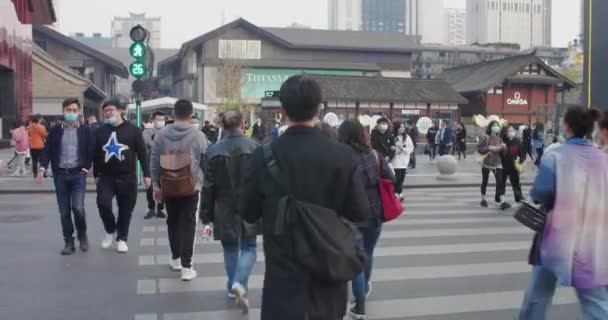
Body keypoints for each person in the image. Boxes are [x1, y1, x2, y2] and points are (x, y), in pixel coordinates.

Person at [240, 75, 370, 320]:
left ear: (282, 109)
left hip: (282, 273)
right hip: (328, 265)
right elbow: (360, 213)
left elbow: (248, 211)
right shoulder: (342, 155)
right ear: (318, 107)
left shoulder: (264, 155)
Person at [519, 106, 608, 320]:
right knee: (594, 300)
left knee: (538, 294)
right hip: (592, 240)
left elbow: (540, 194)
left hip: (556, 238)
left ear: (566, 126)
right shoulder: (603, 158)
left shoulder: (554, 156)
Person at [199, 109, 259, 312]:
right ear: (242, 123)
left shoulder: (213, 151)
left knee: (230, 248)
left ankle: (232, 284)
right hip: (250, 204)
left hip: (223, 206)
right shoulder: (255, 148)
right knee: (249, 247)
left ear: (222, 126)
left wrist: (205, 215)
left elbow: (208, 187)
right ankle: (240, 283)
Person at [338, 119, 395, 319]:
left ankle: (360, 306)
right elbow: (392, 179)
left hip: (351, 216)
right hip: (375, 214)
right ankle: (363, 290)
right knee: (367, 254)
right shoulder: (375, 155)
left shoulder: (342, 158)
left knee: (355, 261)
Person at [150, 99, 207, 281]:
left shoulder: (161, 135)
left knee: (172, 221)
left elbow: (154, 161)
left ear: (173, 115)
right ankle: (187, 266)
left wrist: (156, 185)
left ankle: (175, 259)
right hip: (191, 185)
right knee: (188, 223)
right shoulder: (199, 136)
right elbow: (206, 162)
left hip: (168, 185)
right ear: (191, 115)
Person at [37, 98, 94, 255]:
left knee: (78, 207)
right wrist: (42, 168)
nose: (71, 113)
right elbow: (47, 151)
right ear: (63, 111)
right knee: (64, 211)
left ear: (79, 112)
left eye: (75, 110)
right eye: (69, 110)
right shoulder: (55, 130)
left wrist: (85, 168)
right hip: (60, 174)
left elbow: (90, 151)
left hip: (78, 175)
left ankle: (82, 235)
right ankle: (69, 242)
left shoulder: (85, 130)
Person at [94, 99, 151, 253]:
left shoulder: (133, 130)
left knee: (126, 209)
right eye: (105, 111)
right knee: (103, 203)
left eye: (111, 110)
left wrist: (147, 174)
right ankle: (110, 230)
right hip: (106, 176)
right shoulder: (100, 131)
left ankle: (122, 238)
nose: (108, 113)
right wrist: (96, 174)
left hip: (127, 176)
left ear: (120, 111)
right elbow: (96, 154)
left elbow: (142, 153)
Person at [477, 120, 510, 210]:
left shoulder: (500, 139)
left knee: (500, 182)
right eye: (494, 125)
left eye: (497, 126)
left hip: (497, 164)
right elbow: (479, 149)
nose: (496, 127)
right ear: (490, 127)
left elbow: (504, 154)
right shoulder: (485, 137)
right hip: (487, 163)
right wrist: (489, 148)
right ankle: (483, 199)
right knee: (485, 181)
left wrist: (504, 148)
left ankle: (502, 201)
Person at [142, 111, 166, 220]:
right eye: (158, 119)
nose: (161, 122)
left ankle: (160, 208)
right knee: (150, 187)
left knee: (164, 186)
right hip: (151, 163)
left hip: (165, 164)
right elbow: (149, 143)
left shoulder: (168, 131)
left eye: (162, 119)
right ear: (153, 120)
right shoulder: (147, 132)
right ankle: (151, 208)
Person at [501, 126, 526, 203]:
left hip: (514, 166)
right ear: (506, 132)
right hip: (503, 165)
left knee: (516, 182)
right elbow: (499, 153)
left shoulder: (517, 141)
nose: (512, 132)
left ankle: (518, 197)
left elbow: (522, 153)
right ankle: (501, 199)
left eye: (512, 130)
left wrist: (521, 161)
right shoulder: (502, 141)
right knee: (502, 183)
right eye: (509, 131)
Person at [391, 121, 414, 201]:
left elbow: (411, 148)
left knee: (402, 177)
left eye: (403, 127)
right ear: (397, 128)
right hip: (395, 160)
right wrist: (394, 150)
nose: (402, 129)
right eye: (400, 127)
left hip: (404, 160)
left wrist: (403, 149)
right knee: (397, 177)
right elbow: (390, 146)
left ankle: (398, 192)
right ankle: (398, 193)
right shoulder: (393, 136)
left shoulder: (407, 137)